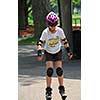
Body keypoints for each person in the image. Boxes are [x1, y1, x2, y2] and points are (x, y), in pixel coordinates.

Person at [37, 11, 72, 100]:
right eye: (51, 25)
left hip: (57, 52)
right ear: (48, 24)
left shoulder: (59, 31)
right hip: (48, 52)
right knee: (49, 71)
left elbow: (65, 41)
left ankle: (62, 89)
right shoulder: (45, 32)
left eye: (54, 25)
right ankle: (48, 91)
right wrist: (39, 52)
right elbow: (40, 43)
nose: (52, 27)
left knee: (59, 71)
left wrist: (69, 51)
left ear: (56, 23)